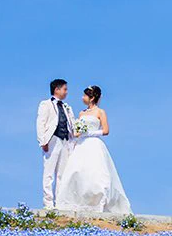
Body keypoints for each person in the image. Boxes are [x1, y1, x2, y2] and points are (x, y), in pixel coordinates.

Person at [55, 85, 132, 214]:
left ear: (91, 98)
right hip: (81, 144)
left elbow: (106, 130)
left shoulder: (100, 112)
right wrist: (77, 134)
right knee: (77, 171)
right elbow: (77, 132)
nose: (82, 98)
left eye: (84, 95)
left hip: (93, 143)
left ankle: (98, 201)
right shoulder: (81, 113)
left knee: (96, 173)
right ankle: (79, 202)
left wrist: (90, 133)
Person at [35, 79, 73, 208]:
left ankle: (60, 202)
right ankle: (48, 202)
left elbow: (71, 123)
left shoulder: (67, 107)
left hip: (65, 140)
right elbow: (41, 122)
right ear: (57, 89)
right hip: (52, 139)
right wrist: (42, 141)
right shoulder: (45, 104)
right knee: (49, 172)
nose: (66, 92)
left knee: (63, 173)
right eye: (65, 89)